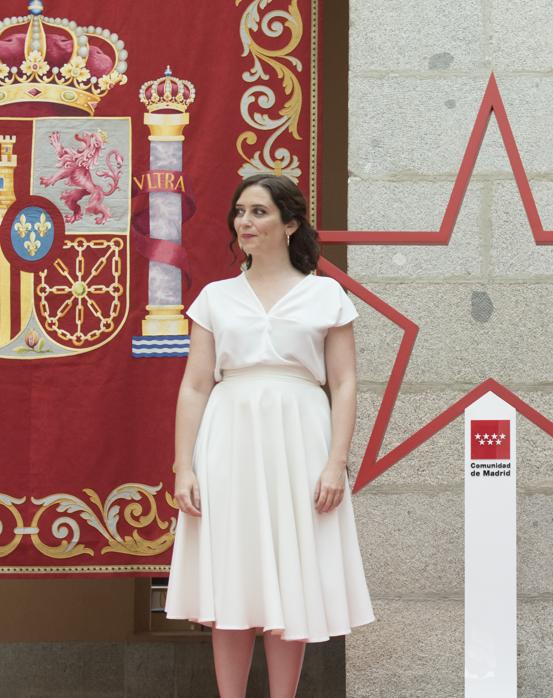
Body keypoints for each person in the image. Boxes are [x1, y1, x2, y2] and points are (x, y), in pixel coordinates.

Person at [165, 174, 374, 697]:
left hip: (300, 438)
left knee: (290, 578)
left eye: (258, 211)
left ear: (290, 223)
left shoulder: (326, 294)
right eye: (240, 212)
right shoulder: (216, 297)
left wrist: (336, 461)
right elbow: (194, 385)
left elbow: (345, 383)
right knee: (232, 577)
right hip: (228, 439)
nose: (245, 222)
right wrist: (183, 466)